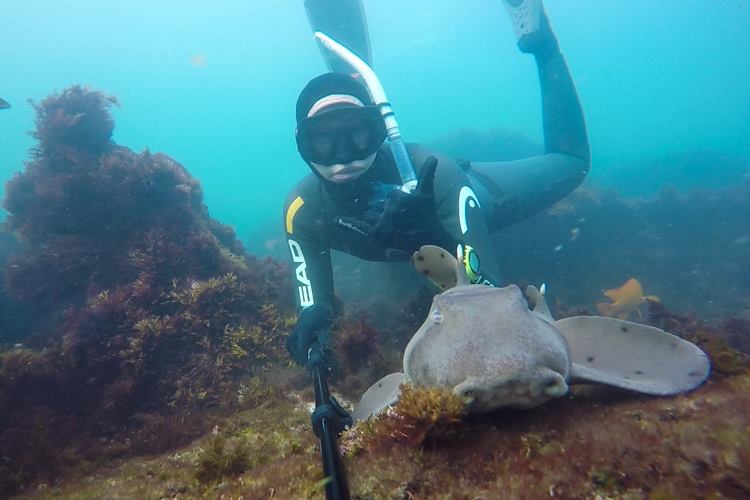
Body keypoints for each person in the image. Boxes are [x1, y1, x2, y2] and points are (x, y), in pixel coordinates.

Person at [284, 0, 590, 369]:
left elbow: (485, 292)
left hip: (479, 192)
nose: (344, 155)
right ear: (303, 146)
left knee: (573, 164)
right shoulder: (302, 211)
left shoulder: (438, 172)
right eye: (323, 141)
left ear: (379, 131)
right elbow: (314, 304)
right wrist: (312, 324)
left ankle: (542, 44)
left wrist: (428, 228)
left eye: (357, 134)